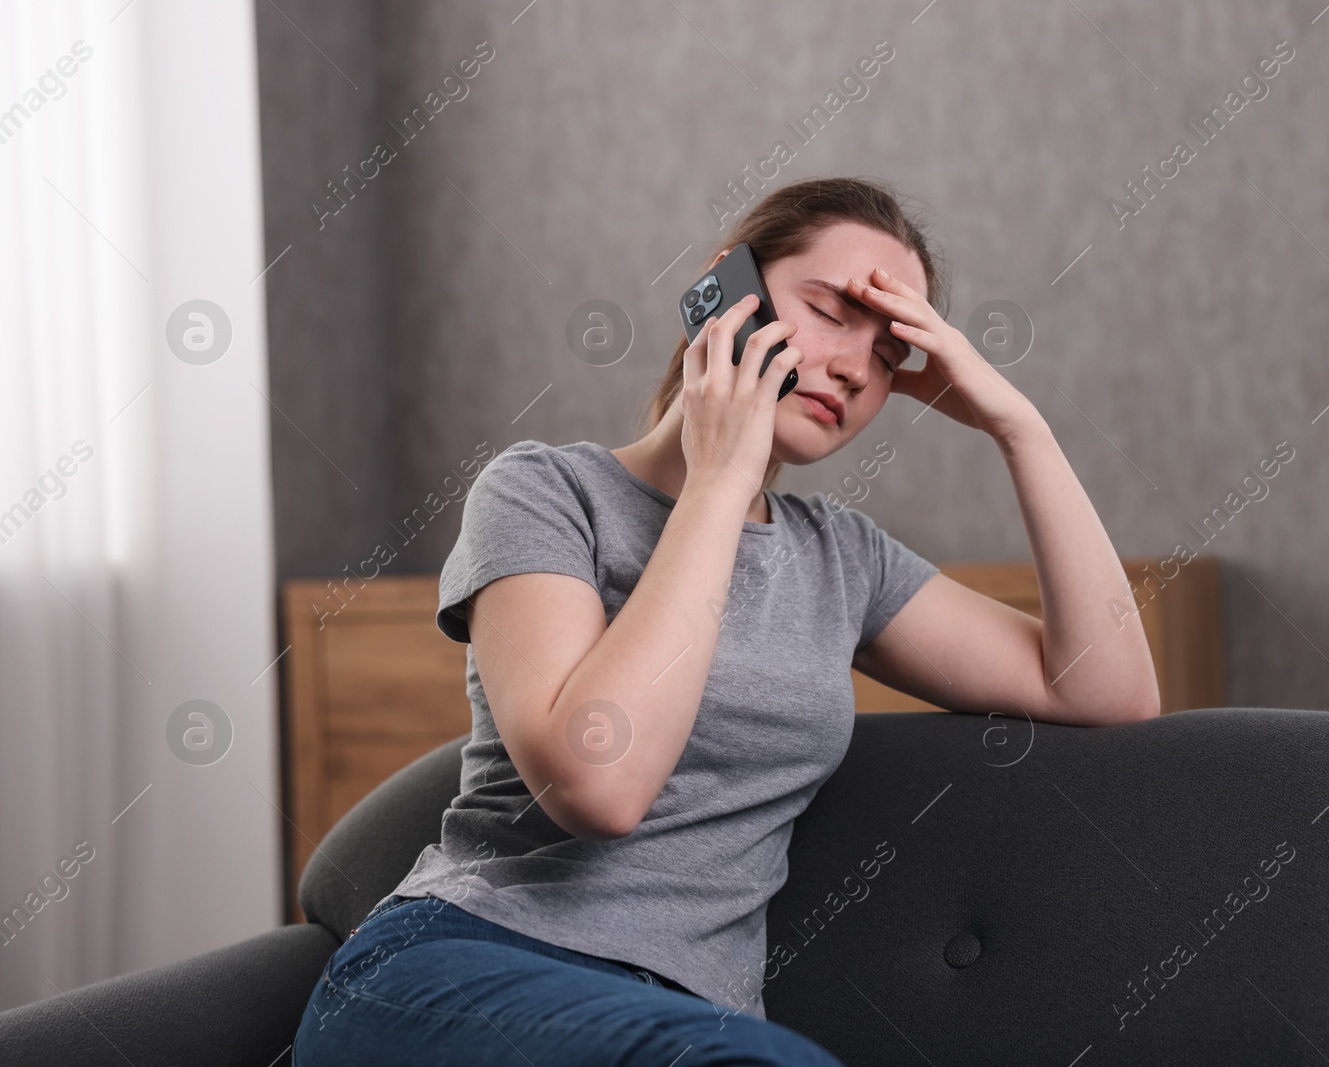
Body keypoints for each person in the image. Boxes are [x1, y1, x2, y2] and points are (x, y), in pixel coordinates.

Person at [293, 176, 1160, 1066]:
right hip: (457, 971)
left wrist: (1017, 425)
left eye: (891, 351)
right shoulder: (546, 492)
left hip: (692, 1022)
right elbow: (600, 785)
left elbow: (1106, 687)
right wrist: (718, 479)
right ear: (726, 288)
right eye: (830, 310)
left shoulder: (841, 559)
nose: (858, 367)